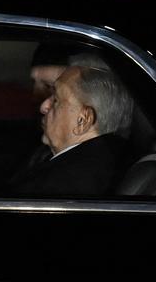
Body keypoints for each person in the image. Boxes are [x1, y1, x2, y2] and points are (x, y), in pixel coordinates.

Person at [11, 65, 133, 197]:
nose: (44, 107)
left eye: (56, 99)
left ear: (83, 120)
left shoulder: (60, 186)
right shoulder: (102, 164)